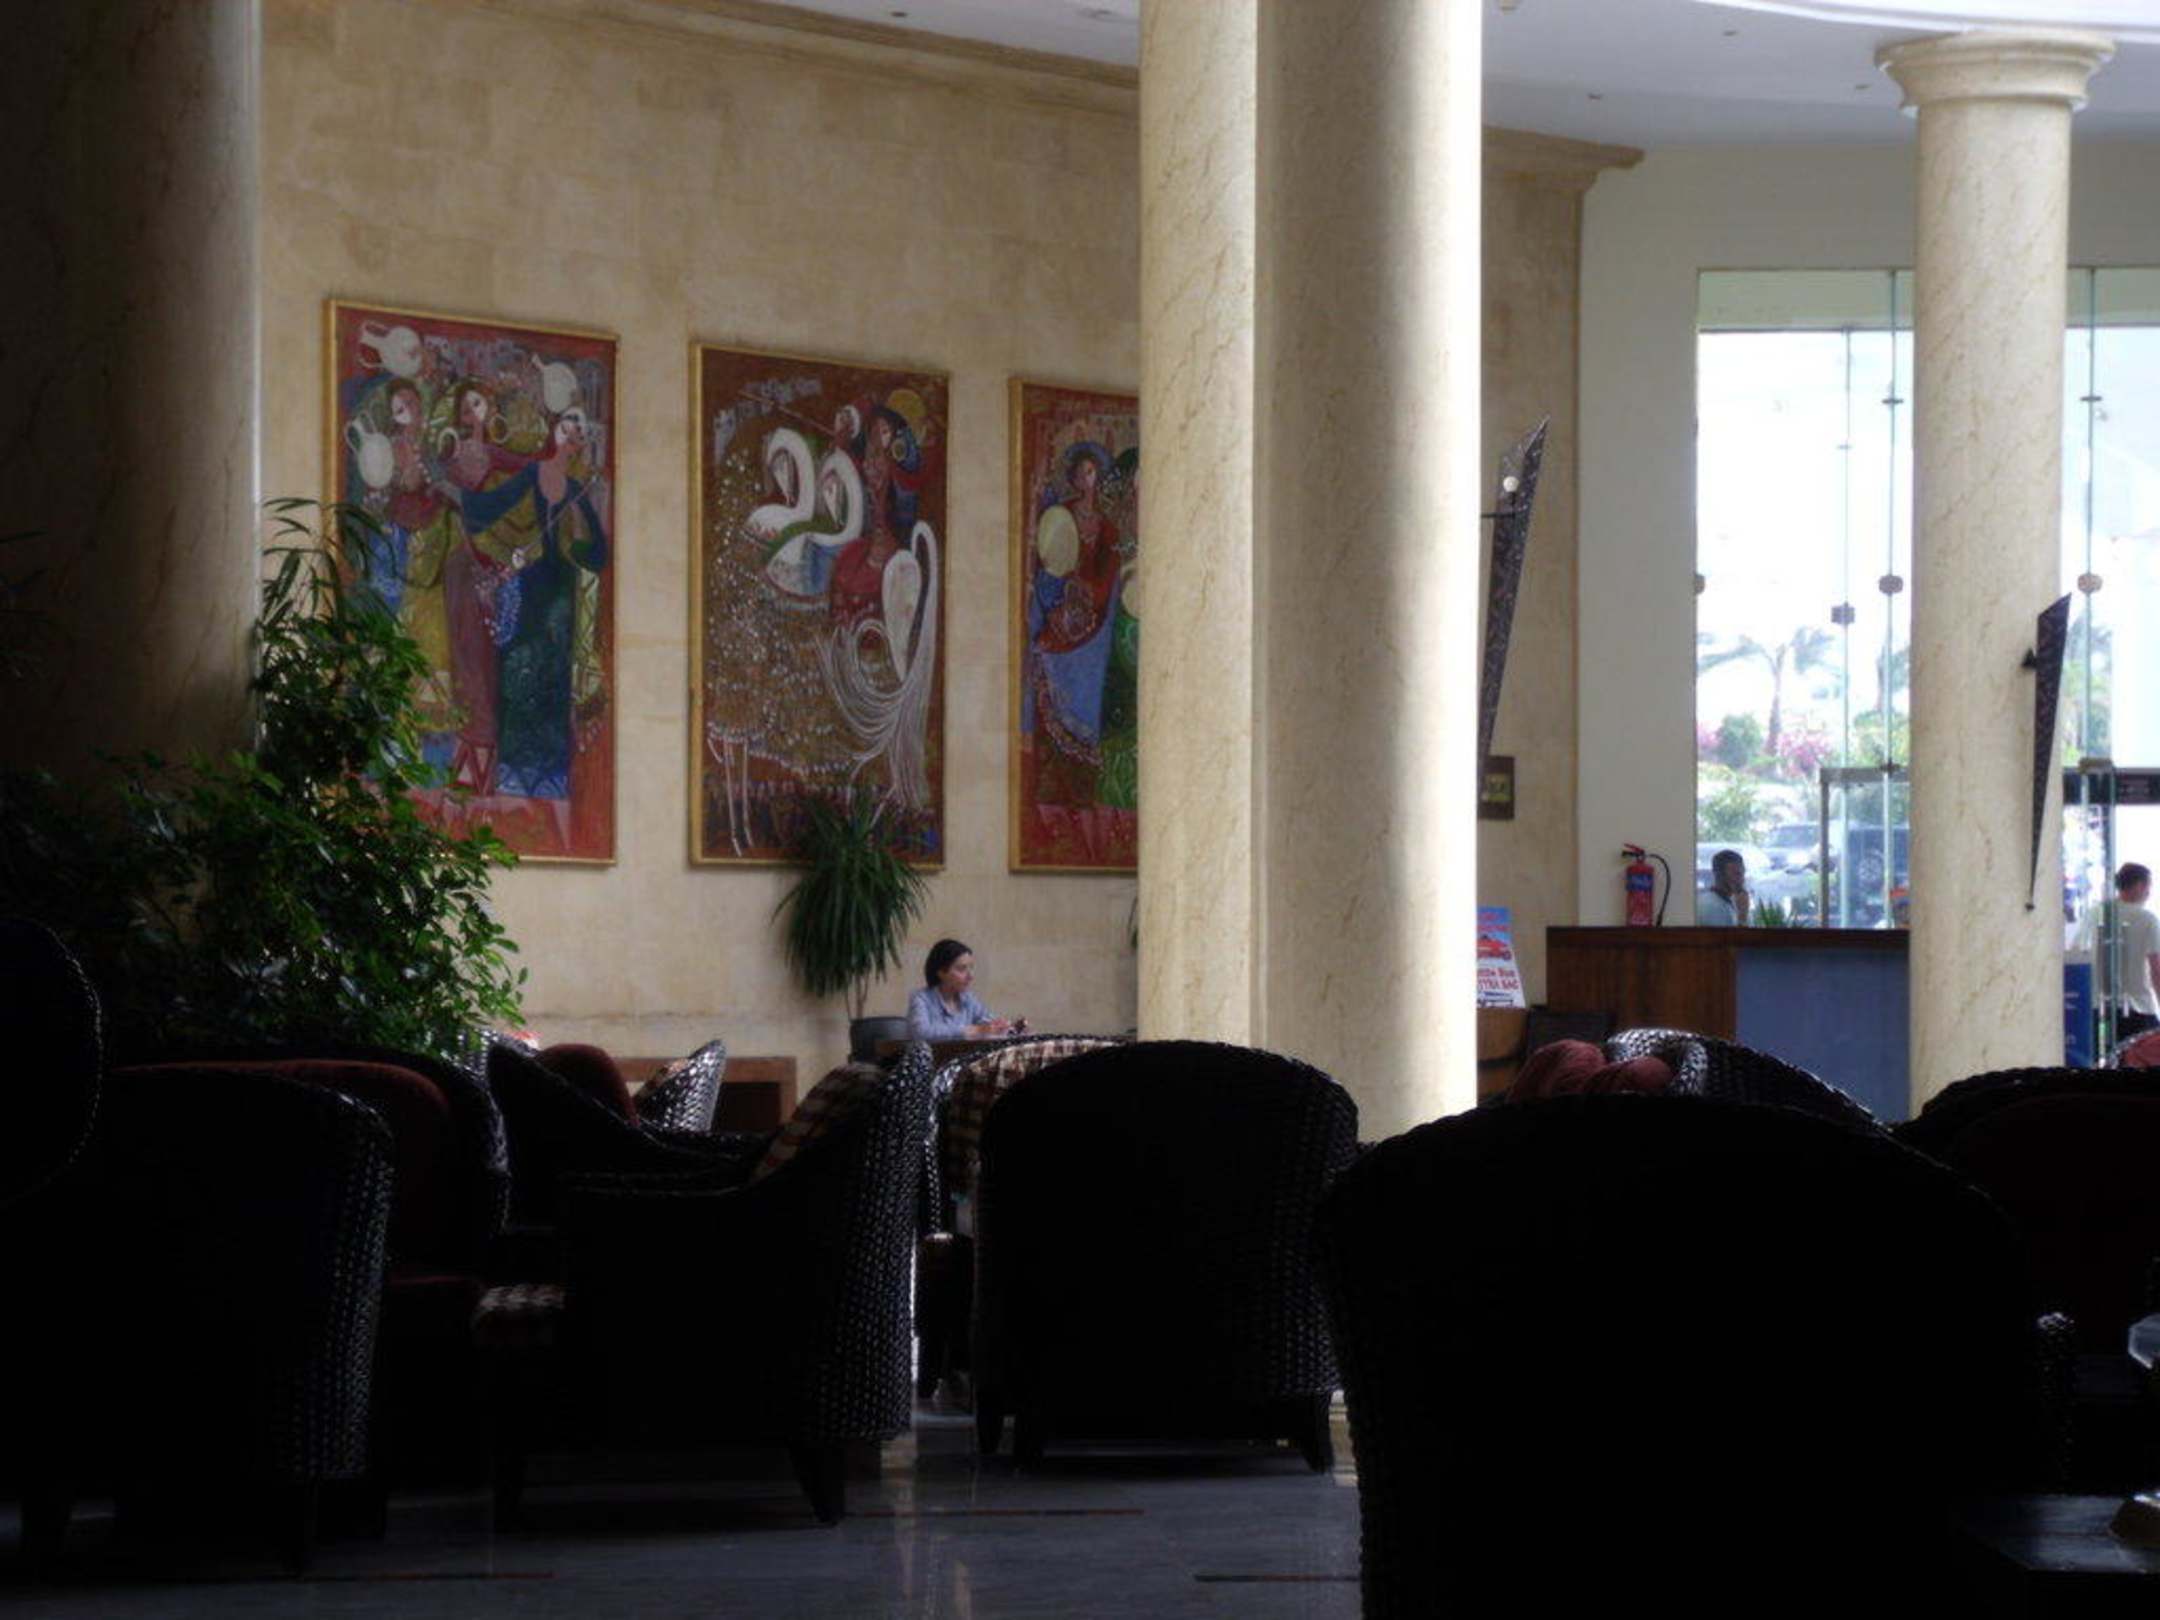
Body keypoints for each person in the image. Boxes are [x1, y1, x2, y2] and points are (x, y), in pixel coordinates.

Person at [2073, 861, 2160, 1037]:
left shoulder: (2094, 913)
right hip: (2137, 1010)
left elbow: (2077, 951)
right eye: (2148, 886)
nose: (2149, 893)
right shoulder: (2147, 919)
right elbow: (2156, 968)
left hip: (2098, 1009)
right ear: (2139, 886)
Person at [907, 938, 1027, 1040]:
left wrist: (1007, 1028)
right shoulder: (921, 999)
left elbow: (988, 1024)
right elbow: (921, 1033)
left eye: (971, 968)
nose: (970, 976)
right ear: (941, 972)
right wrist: (973, 1030)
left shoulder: (968, 999)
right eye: (962, 969)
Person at [1698, 849, 1750, 926]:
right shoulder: (1709, 906)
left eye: (1742, 872)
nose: (1741, 879)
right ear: (1718, 874)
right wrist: (1742, 918)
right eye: (1735, 873)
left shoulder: (1735, 902)